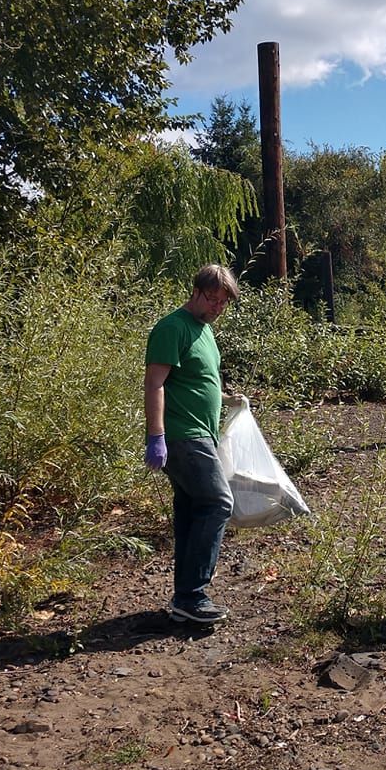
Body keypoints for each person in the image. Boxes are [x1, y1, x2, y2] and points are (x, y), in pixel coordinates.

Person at [144, 264, 244, 624]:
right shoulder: (173, 327)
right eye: (213, 300)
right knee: (218, 502)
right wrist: (156, 436)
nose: (218, 308)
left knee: (190, 509)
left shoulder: (204, 331)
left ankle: (184, 597)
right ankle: (193, 595)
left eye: (223, 303)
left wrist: (228, 398)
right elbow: (155, 382)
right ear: (197, 292)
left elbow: (199, 379)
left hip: (202, 431)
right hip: (182, 435)